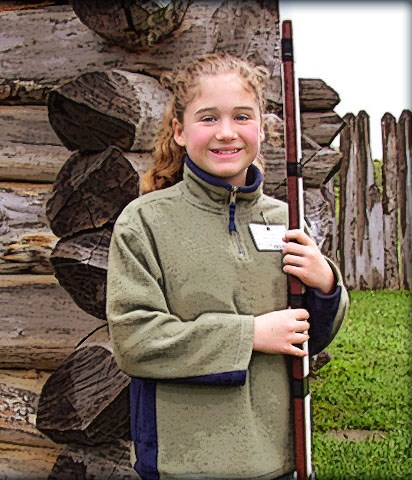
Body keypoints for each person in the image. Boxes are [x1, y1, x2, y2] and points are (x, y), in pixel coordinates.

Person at [106, 53, 348, 480]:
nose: (225, 132)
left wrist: (325, 285)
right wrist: (251, 335)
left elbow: (307, 337)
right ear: (179, 131)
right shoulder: (144, 222)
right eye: (207, 118)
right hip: (181, 464)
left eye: (241, 116)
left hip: (276, 461)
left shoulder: (284, 220)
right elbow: (135, 340)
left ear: (262, 128)